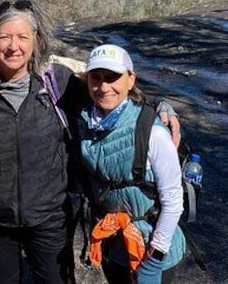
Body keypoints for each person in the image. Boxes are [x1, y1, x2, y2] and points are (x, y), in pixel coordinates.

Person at [0, 0, 80, 284]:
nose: (13, 46)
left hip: (49, 216)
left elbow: (110, 94)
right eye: (4, 37)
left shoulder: (58, 82)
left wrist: (159, 108)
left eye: (22, 37)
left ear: (36, 41)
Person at [77, 44, 186, 284]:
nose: (104, 87)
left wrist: (154, 259)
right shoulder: (85, 121)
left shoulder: (152, 132)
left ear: (131, 80)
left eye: (112, 77)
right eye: (96, 78)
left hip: (150, 249)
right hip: (112, 244)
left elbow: (173, 201)